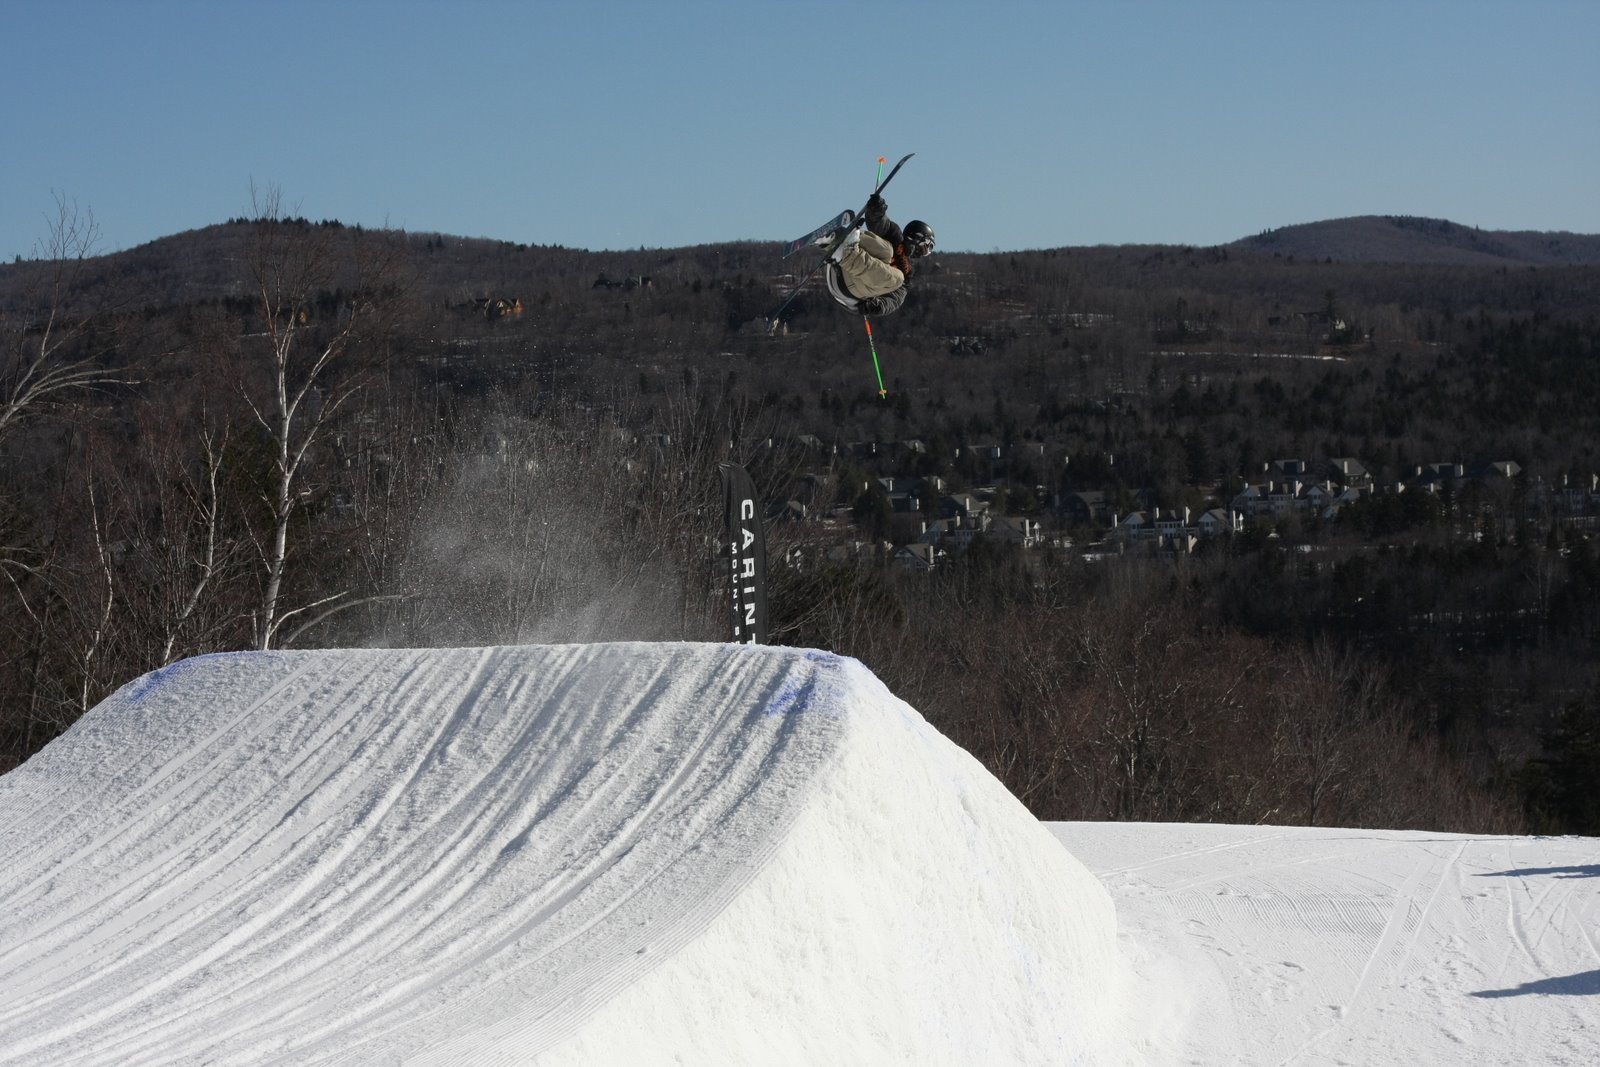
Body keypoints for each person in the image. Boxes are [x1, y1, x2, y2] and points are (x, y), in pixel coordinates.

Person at [828, 194, 935, 315]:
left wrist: (877, 306)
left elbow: (895, 299)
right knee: (887, 250)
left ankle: (845, 253)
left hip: (850, 289)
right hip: (839, 268)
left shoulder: (907, 273)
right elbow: (879, 224)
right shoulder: (894, 235)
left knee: (898, 278)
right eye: (927, 246)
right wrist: (877, 210)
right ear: (917, 237)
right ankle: (838, 241)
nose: (925, 252)